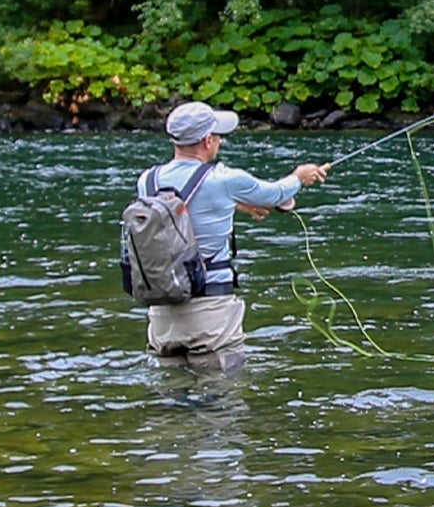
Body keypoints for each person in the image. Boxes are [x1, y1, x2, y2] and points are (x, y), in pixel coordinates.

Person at [138, 100, 328, 368]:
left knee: (170, 401)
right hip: (210, 313)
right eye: (217, 136)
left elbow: (177, 212)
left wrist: (232, 203)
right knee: (221, 400)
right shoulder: (225, 179)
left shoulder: (147, 180)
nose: (220, 141)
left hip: (162, 315)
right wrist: (300, 176)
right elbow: (276, 194)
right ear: (207, 141)